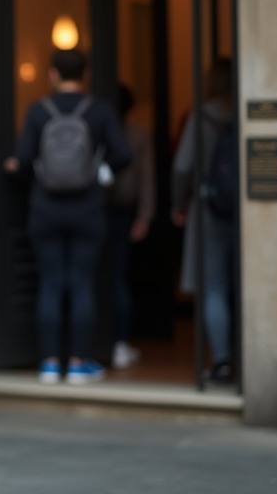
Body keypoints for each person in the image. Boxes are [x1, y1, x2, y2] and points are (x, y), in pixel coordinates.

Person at [5, 49, 130, 385]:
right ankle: (77, 364)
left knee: (50, 283)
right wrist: (100, 171)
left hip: (45, 208)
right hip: (87, 207)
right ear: (85, 74)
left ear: (52, 74)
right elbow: (123, 154)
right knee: (81, 283)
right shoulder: (99, 110)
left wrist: (16, 167)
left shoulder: (38, 111)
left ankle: (48, 364)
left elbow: (22, 158)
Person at [171, 59, 236, 385]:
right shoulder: (247, 109)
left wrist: (177, 203)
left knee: (214, 287)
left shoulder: (202, 115)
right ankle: (250, 360)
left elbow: (182, 166)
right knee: (244, 284)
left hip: (209, 206)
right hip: (247, 210)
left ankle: (222, 363)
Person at [106, 84, 155, 371]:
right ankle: (119, 344)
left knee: (92, 277)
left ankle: (90, 345)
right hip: (123, 210)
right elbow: (147, 177)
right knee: (117, 277)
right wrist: (145, 215)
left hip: (92, 209)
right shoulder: (138, 134)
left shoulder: (94, 126)